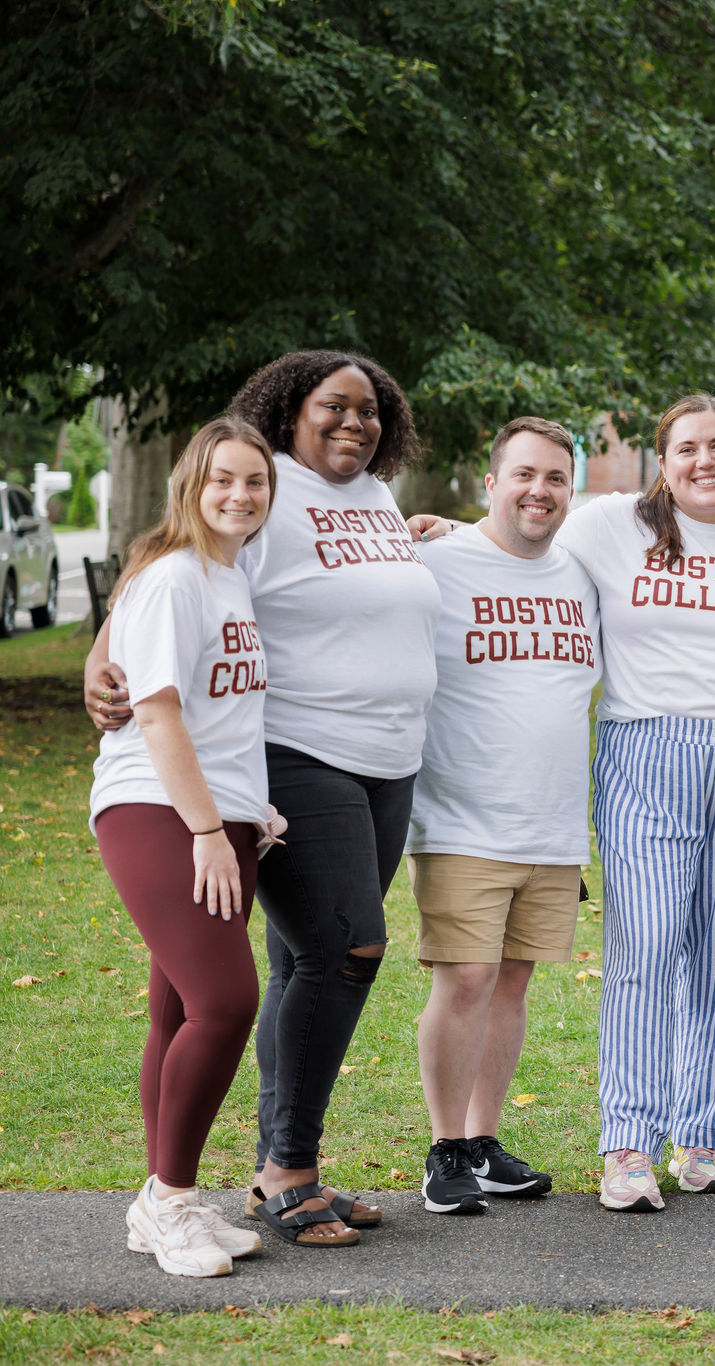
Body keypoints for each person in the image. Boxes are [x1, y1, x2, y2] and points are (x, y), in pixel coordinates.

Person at [87, 350, 439, 1248]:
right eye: (334, 407)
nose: (355, 423)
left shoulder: (375, 498)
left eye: (369, 410)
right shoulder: (266, 485)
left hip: (383, 762)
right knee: (342, 950)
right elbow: (166, 566)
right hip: (296, 757)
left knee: (305, 964)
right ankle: (284, 1170)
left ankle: (275, 1168)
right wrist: (102, 661)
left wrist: (433, 540)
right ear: (289, 413)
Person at [553, 394, 715, 1213]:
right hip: (647, 747)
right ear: (661, 464)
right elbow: (517, 553)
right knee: (648, 944)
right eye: (687, 449)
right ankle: (629, 1141)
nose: (706, 461)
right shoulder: (608, 525)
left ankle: (700, 1136)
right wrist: (439, 537)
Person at [92, 417, 277, 1276]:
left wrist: (249, 810)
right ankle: (169, 1203)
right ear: (190, 486)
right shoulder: (173, 580)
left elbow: (221, 713)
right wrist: (208, 829)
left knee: (177, 1009)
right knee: (226, 1000)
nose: (240, 495)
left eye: (255, 482)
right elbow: (158, 713)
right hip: (157, 808)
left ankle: (161, 1200)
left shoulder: (226, 577)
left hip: (216, 813)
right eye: (223, 481)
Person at [406, 418, 600, 1214]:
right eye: (523, 474)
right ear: (490, 482)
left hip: (552, 826)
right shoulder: (432, 563)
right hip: (461, 819)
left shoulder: (582, 574)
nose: (539, 490)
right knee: (467, 980)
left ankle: (483, 1144)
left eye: (555, 478)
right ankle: (445, 1148)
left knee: (513, 983)